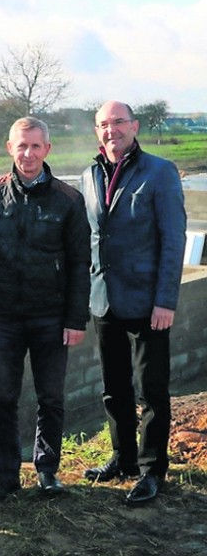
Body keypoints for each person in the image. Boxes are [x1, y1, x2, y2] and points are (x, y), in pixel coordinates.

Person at [0, 116, 91, 502]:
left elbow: (78, 262)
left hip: (50, 317)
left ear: (47, 150)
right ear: (9, 148)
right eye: (21, 145)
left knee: (50, 397)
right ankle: (5, 476)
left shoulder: (68, 200)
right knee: (3, 398)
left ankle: (47, 471)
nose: (28, 153)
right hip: (3, 316)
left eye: (36, 146)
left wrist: (75, 318)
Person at [80, 101, 186, 506]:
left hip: (147, 302)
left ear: (135, 126)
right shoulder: (90, 174)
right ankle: (122, 458)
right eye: (104, 124)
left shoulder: (160, 172)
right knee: (113, 388)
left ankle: (151, 471)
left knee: (152, 391)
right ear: (97, 131)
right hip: (103, 299)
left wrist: (166, 301)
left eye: (119, 122)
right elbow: (89, 236)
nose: (112, 130)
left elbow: (173, 240)